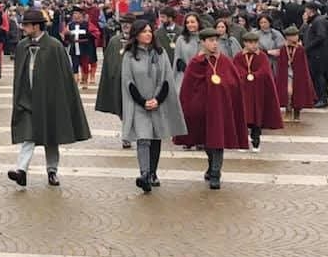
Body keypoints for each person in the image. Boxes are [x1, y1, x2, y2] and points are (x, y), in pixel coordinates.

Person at [8, 8, 91, 187]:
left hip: (49, 98)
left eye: (26, 25)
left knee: (50, 137)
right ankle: (21, 170)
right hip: (28, 99)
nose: (23, 28)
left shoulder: (54, 46)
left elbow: (64, 75)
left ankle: (52, 170)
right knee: (28, 135)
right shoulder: (22, 46)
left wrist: (62, 99)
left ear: (36, 26)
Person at [173, 28, 248, 190]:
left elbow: (234, 83)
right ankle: (210, 164)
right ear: (203, 42)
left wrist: (225, 88)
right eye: (211, 41)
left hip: (221, 109)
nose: (215, 44)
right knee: (207, 140)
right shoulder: (195, 63)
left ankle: (215, 173)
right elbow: (188, 88)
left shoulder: (225, 61)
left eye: (216, 41)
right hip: (202, 110)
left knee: (218, 140)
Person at [121, 19, 186, 192]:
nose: (148, 34)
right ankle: (144, 174)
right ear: (136, 35)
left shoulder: (160, 53)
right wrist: (142, 101)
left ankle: (152, 173)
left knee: (155, 137)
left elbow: (166, 79)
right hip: (139, 103)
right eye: (144, 31)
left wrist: (156, 99)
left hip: (158, 102)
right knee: (143, 138)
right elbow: (128, 81)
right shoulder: (129, 55)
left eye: (150, 31)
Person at [233, 31, 283, 152]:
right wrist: (244, 75)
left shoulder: (262, 56)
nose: (253, 45)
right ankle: (242, 142)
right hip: (243, 92)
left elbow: (265, 70)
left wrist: (255, 75)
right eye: (250, 43)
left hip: (258, 92)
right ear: (244, 43)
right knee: (242, 117)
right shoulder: (239, 56)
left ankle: (256, 141)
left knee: (257, 117)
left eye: (255, 42)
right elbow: (236, 69)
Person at [95, 13, 134, 149]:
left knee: (133, 109)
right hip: (118, 81)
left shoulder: (139, 40)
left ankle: (128, 135)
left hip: (136, 83)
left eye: (128, 23)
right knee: (122, 109)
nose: (125, 25)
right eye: (123, 22)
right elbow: (109, 61)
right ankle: (126, 135)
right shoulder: (114, 41)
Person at [276, 25, 315, 121]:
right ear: (287, 37)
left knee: (298, 93)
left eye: (296, 35)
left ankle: (297, 113)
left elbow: (303, 64)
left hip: (298, 75)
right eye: (292, 36)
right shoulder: (283, 49)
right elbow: (280, 64)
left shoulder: (300, 49)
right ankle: (288, 111)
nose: (294, 38)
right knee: (288, 92)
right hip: (287, 74)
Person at [301, 2, 328, 108]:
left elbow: (321, 36)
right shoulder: (312, 21)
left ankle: (323, 99)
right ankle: (318, 97)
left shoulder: (319, 21)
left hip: (319, 55)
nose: (305, 12)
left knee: (319, 76)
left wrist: (307, 47)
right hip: (313, 55)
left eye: (306, 10)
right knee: (315, 76)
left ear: (311, 10)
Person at [62, 7, 98, 89]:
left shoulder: (87, 24)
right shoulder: (70, 25)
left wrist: (90, 35)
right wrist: (66, 35)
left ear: (81, 15)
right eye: (74, 13)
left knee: (85, 65)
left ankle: (85, 82)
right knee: (74, 65)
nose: (75, 15)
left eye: (77, 13)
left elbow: (96, 33)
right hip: (74, 47)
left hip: (84, 47)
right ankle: (75, 82)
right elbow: (64, 36)